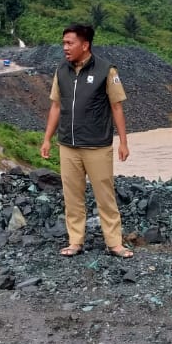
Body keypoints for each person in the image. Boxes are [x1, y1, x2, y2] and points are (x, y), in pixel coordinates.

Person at [40, 24, 133, 258]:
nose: (65, 48)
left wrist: (123, 142)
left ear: (85, 45)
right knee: (72, 197)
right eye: (63, 43)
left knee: (105, 196)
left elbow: (116, 107)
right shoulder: (61, 70)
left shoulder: (106, 70)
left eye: (70, 43)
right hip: (68, 146)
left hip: (97, 146)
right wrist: (47, 139)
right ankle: (75, 241)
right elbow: (55, 106)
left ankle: (115, 244)